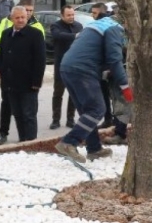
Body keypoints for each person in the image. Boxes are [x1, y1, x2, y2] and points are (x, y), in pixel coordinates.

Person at [55, 15, 130, 163]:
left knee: (87, 111)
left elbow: (92, 50)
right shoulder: (115, 29)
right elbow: (115, 60)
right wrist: (126, 87)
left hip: (67, 66)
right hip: (83, 69)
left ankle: (94, 148)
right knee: (97, 109)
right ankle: (69, 142)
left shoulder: (97, 25)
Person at [0, 0, 45, 145]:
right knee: (18, 115)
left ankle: (31, 144)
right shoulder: (6, 33)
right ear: (12, 18)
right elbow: (1, 54)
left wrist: (36, 82)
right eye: (18, 18)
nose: (21, 20)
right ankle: (23, 142)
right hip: (10, 83)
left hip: (28, 83)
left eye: (23, 17)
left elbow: (40, 60)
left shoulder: (35, 34)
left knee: (29, 115)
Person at [49, 5, 82, 129]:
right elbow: (58, 36)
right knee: (58, 93)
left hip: (75, 65)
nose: (71, 17)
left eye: (72, 15)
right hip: (61, 65)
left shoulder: (78, 26)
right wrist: (75, 36)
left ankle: (70, 119)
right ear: (62, 15)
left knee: (73, 94)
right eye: (68, 15)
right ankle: (55, 120)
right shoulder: (55, 26)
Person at [90, 3, 114, 128]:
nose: (92, 16)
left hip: (107, 65)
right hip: (102, 66)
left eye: (95, 13)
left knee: (111, 95)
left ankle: (113, 120)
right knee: (104, 95)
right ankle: (109, 118)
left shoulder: (104, 25)